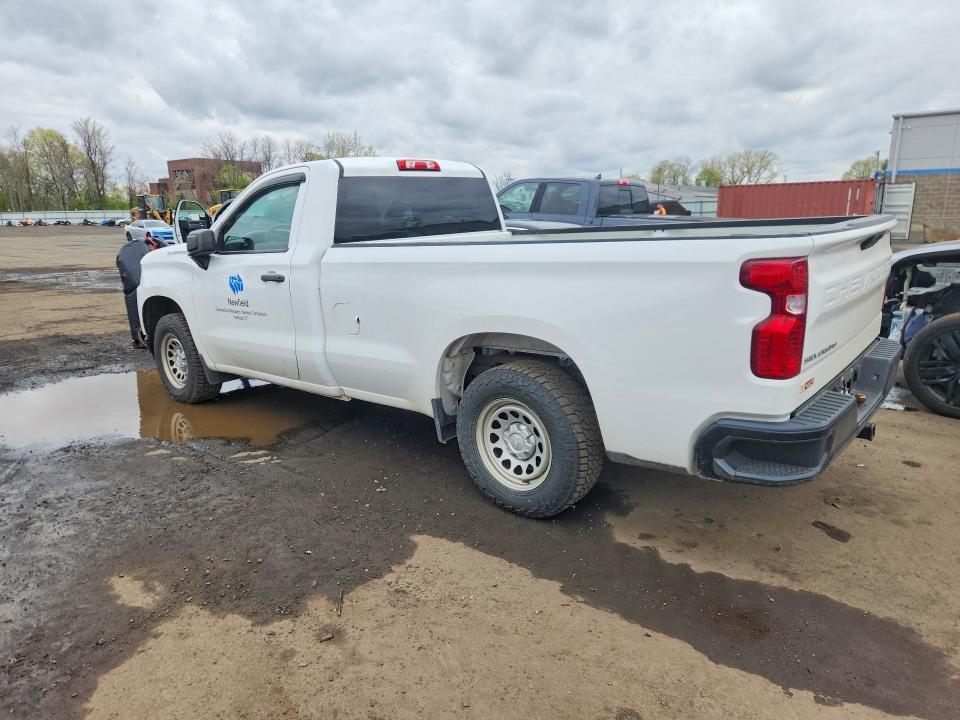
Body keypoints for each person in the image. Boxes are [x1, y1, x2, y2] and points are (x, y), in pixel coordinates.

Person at [116, 236, 151, 348]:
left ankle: (137, 337)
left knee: (132, 300)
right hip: (137, 275)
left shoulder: (125, 250)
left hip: (130, 275)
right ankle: (141, 337)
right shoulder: (153, 246)